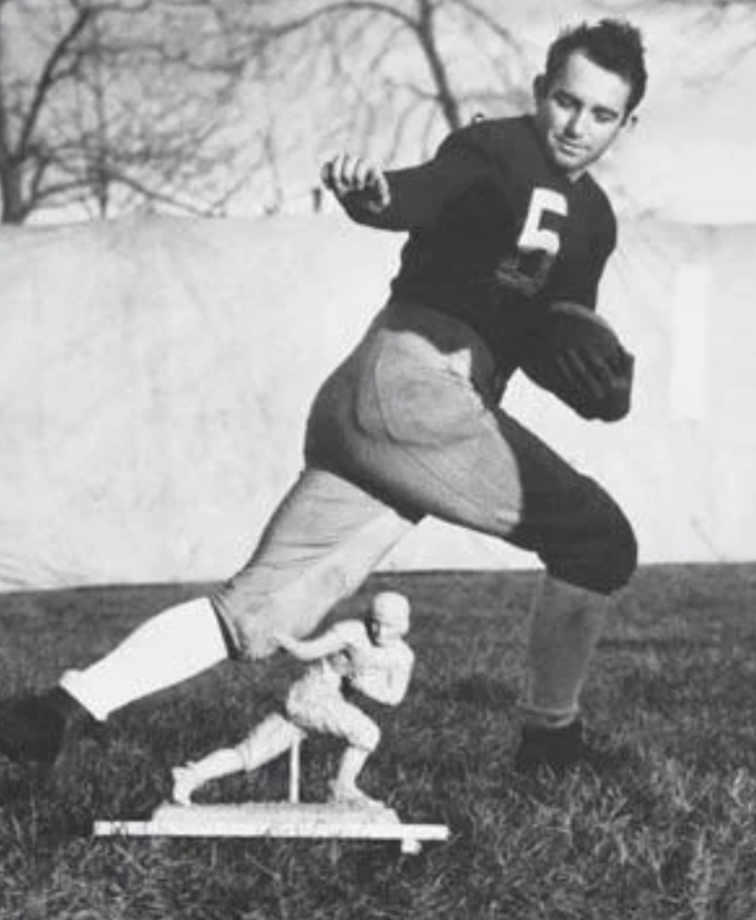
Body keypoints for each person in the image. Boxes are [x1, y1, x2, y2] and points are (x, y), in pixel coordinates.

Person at [0, 18, 646, 775]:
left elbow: (553, 336)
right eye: (566, 102)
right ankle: (550, 744)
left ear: (627, 122)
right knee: (599, 540)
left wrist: (602, 391)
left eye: (602, 114)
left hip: (382, 406)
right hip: (416, 385)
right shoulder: (495, 147)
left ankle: (51, 714)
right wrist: (375, 197)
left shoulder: (595, 220)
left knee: (260, 611)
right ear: (540, 92)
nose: (578, 126)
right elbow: (424, 193)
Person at [171, 591, 414, 808]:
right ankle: (342, 788)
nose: (379, 631)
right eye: (375, 623)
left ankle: (190, 776)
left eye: (388, 626)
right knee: (367, 733)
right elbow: (308, 651)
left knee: (250, 753)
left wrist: (365, 685)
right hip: (312, 695)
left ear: (403, 625)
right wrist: (284, 640)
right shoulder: (351, 632)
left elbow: (394, 697)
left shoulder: (403, 656)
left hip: (313, 705)